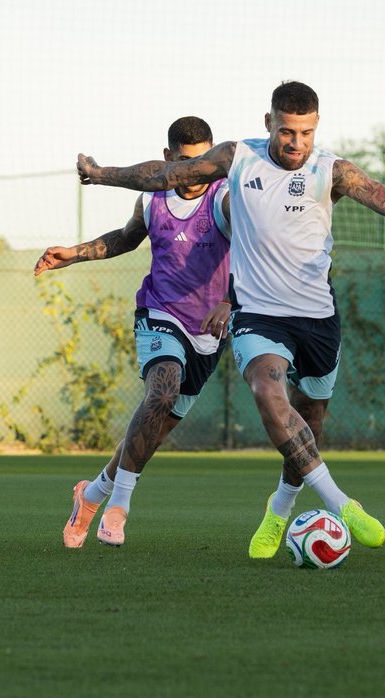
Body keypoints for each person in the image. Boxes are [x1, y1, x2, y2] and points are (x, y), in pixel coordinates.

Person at [76, 81, 385, 558]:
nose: (296, 142)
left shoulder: (331, 170)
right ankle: (342, 503)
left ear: (317, 127)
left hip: (317, 316)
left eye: (306, 133)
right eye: (287, 131)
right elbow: (167, 174)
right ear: (269, 122)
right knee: (267, 392)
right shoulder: (238, 158)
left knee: (309, 421)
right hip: (258, 315)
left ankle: (280, 508)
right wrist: (102, 174)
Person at [36, 116, 232, 548]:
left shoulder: (225, 197)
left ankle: (90, 496)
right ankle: (119, 507)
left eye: (203, 162)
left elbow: (254, 251)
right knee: (162, 390)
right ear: (167, 159)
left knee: (151, 433)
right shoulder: (153, 199)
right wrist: (75, 253)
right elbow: (126, 238)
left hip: (209, 329)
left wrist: (230, 300)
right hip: (159, 312)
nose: (196, 173)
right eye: (186, 163)